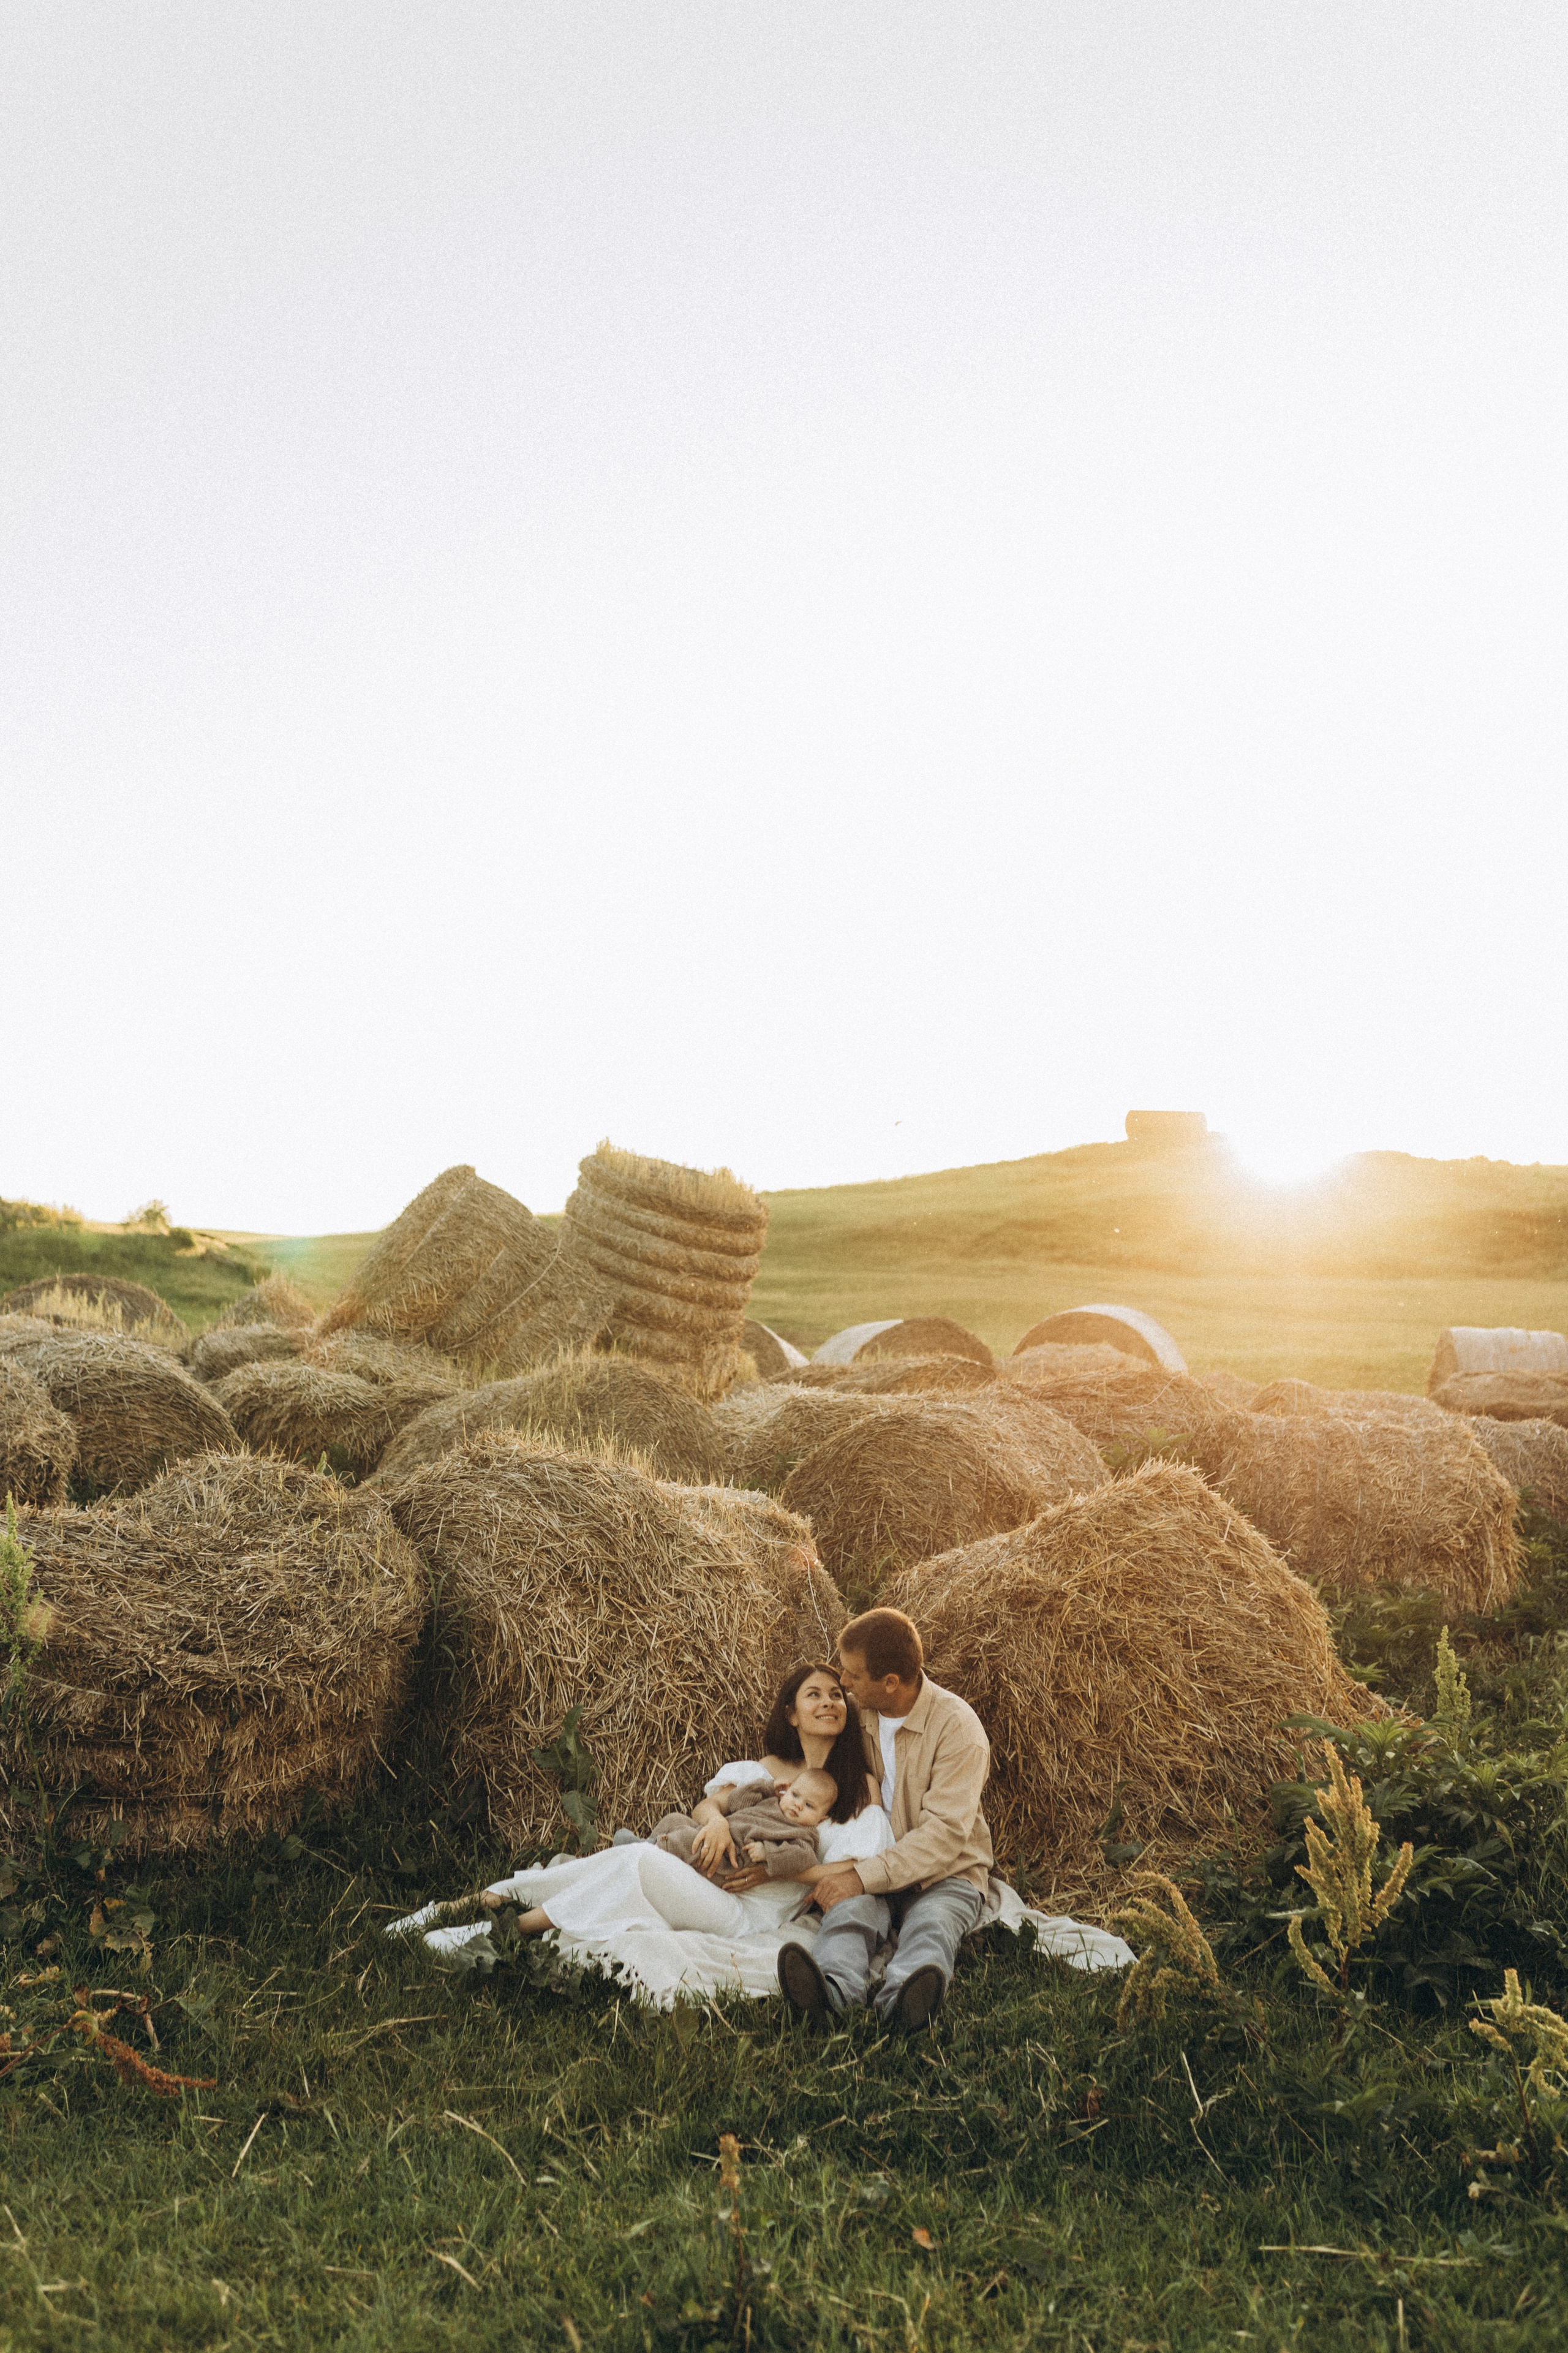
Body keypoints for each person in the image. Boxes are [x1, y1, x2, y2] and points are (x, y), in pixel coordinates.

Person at [473, 1660, 889, 1952]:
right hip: (712, 1884)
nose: (829, 1702)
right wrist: (718, 1824)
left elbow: (859, 1868)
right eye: (814, 1695)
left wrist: (779, 1870)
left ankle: (519, 1923)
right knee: (625, 1861)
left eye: (836, 1695)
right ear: (792, 1714)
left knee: (640, 1860)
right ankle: (496, 1897)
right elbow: (706, 1807)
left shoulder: (858, 1786)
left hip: (753, 1910)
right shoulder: (768, 1770)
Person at [777, 1606, 992, 2034]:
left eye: (853, 1675)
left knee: (932, 1925)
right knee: (849, 1916)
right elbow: (812, 1762)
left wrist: (860, 1876)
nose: (843, 1681)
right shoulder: (859, 1714)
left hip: (945, 1872)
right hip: (874, 1864)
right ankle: (831, 1994)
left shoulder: (958, 1729)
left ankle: (904, 2006)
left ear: (891, 1682)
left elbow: (944, 1836)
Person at [650, 1768, 839, 1881]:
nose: (798, 1805)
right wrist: (768, 1787)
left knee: (686, 1839)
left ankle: (645, 1851)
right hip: (720, 1836)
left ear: (821, 1820)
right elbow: (736, 1802)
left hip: (732, 1858)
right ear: (786, 1791)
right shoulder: (770, 1801)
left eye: (809, 1805)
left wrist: (768, 1852)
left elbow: (804, 1857)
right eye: (795, 1795)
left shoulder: (804, 1833)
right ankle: (647, 1844)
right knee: (675, 1819)